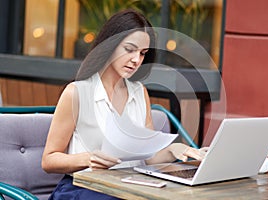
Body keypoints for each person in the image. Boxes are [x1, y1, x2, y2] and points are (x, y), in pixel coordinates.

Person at [42, 9, 208, 199]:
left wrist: (174, 150)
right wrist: (88, 159)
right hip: (85, 188)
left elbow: (149, 156)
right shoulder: (77, 93)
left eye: (143, 53)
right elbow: (49, 160)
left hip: (127, 187)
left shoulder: (139, 92)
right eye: (129, 50)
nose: (136, 60)